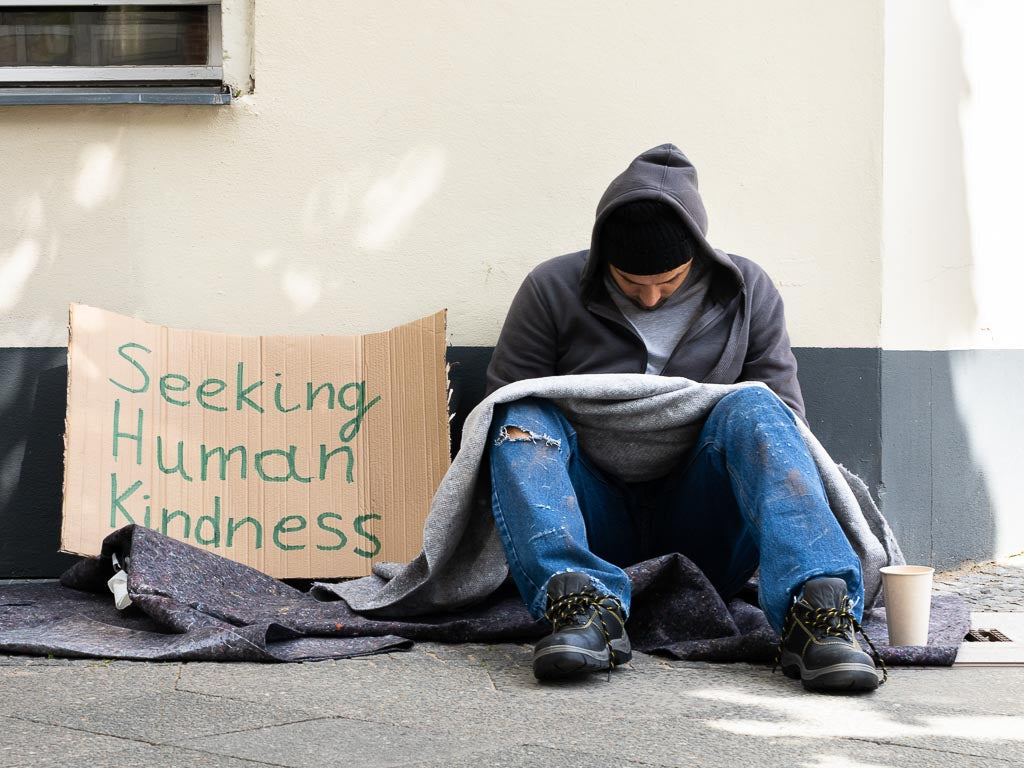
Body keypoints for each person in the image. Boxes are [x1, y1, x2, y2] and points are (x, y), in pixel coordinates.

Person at [484, 144, 883, 692]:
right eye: (629, 283)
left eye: (668, 282)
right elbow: (499, 407)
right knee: (519, 414)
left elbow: (787, 422)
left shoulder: (746, 291)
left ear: (697, 253)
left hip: (705, 523)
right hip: (588, 519)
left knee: (759, 406)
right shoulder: (550, 288)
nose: (649, 299)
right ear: (603, 259)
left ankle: (816, 615)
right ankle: (577, 604)